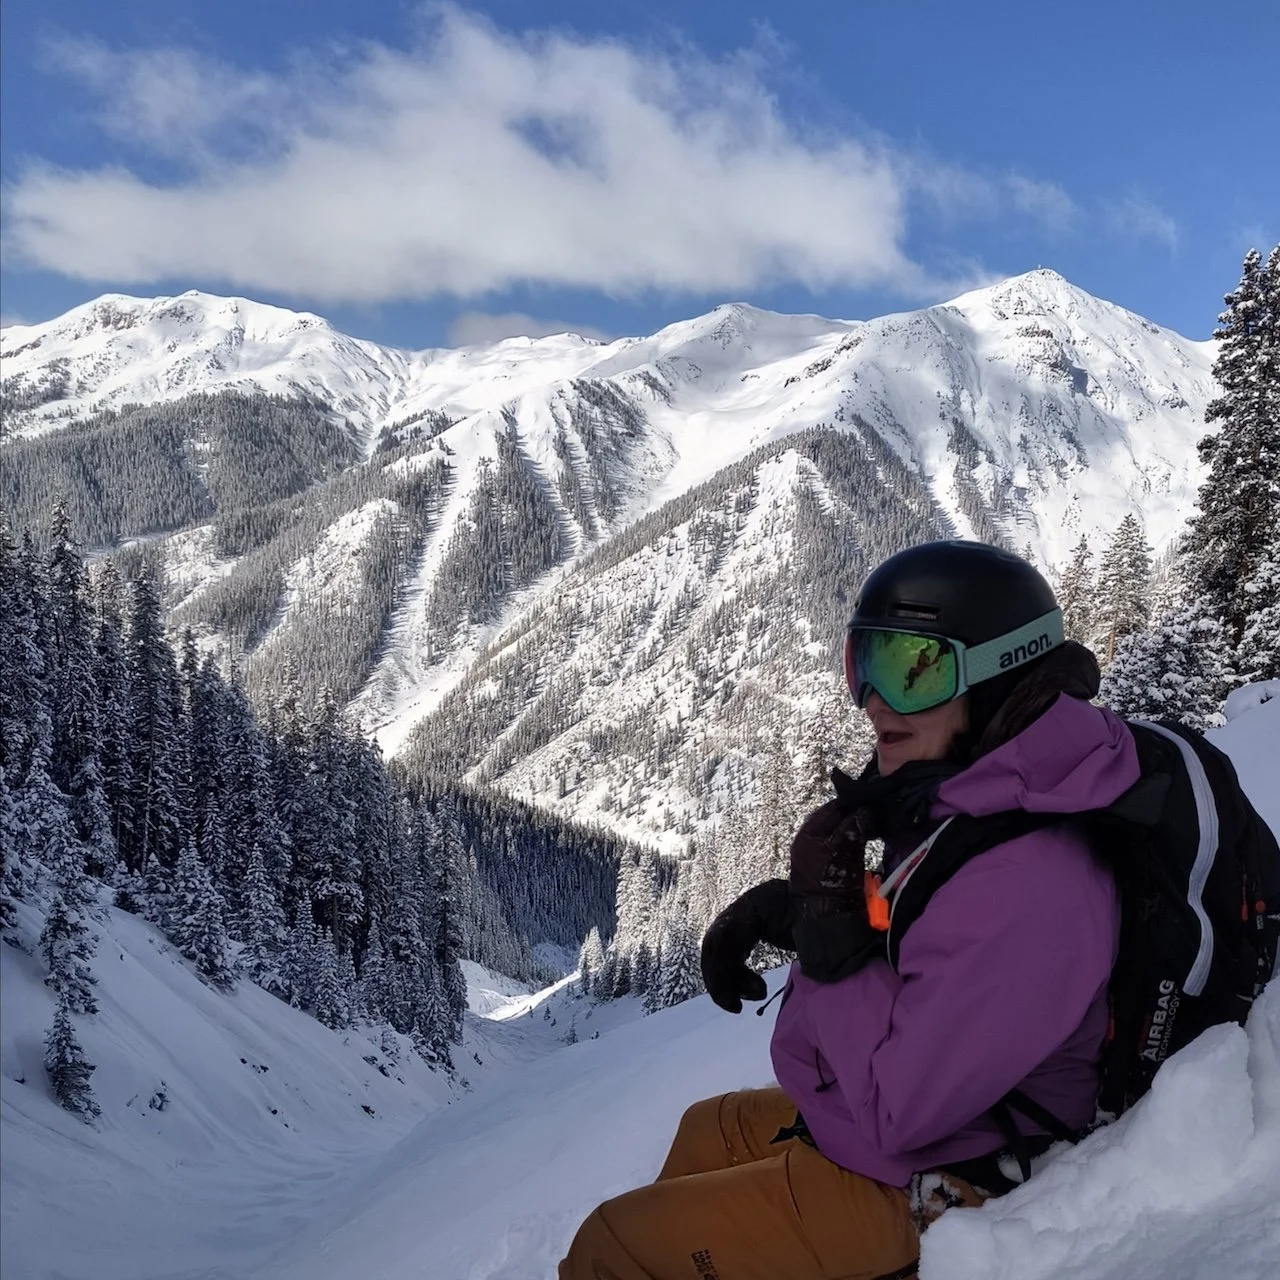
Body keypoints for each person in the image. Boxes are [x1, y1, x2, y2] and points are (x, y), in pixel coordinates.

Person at [559, 540, 1139, 1280]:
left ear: (1000, 678)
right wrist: (800, 917)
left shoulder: (1033, 879)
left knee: (613, 1244)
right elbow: (927, 938)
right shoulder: (976, 800)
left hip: (960, 1172)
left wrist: (830, 948)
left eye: (913, 669)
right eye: (864, 664)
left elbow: (899, 1113)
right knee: (712, 1128)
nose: (874, 701)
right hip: (941, 1115)